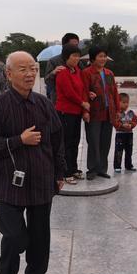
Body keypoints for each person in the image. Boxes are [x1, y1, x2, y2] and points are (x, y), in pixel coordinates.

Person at [0, 51, 66, 274]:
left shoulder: (43, 104)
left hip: (41, 179)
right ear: (8, 74)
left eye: (33, 69)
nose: (29, 74)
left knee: (41, 235)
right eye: (23, 69)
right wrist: (20, 140)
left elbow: (57, 139)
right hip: (10, 182)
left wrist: (60, 171)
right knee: (15, 236)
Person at [82, 46, 121, 180]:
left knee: (105, 142)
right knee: (93, 141)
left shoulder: (109, 73)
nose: (103, 59)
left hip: (108, 112)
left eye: (104, 56)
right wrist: (85, 111)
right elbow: (83, 92)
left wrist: (117, 110)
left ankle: (102, 169)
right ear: (93, 58)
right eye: (100, 56)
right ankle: (92, 169)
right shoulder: (87, 73)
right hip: (94, 112)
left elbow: (114, 92)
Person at [55, 44, 88, 184]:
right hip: (65, 111)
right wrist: (82, 103)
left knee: (75, 141)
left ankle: (73, 169)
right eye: (73, 55)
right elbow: (69, 93)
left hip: (76, 112)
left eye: (77, 55)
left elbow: (83, 89)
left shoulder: (78, 71)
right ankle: (65, 172)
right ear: (66, 57)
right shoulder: (63, 72)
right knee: (66, 142)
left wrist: (85, 104)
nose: (76, 58)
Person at [44, 33, 80, 103]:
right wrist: (53, 73)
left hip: (77, 100)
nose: (76, 47)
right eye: (73, 45)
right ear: (64, 46)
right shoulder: (53, 61)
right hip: (59, 102)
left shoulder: (78, 61)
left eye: (77, 45)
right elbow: (47, 81)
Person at [113, 93, 137, 172]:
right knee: (119, 150)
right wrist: (122, 125)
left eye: (127, 102)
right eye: (123, 102)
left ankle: (128, 165)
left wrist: (131, 125)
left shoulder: (130, 112)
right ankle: (117, 166)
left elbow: (135, 120)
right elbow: (115, 123)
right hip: (120, 134)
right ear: (118, 102)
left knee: (129, 150)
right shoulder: (117, 113)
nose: (126, 104)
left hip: (129, 134)